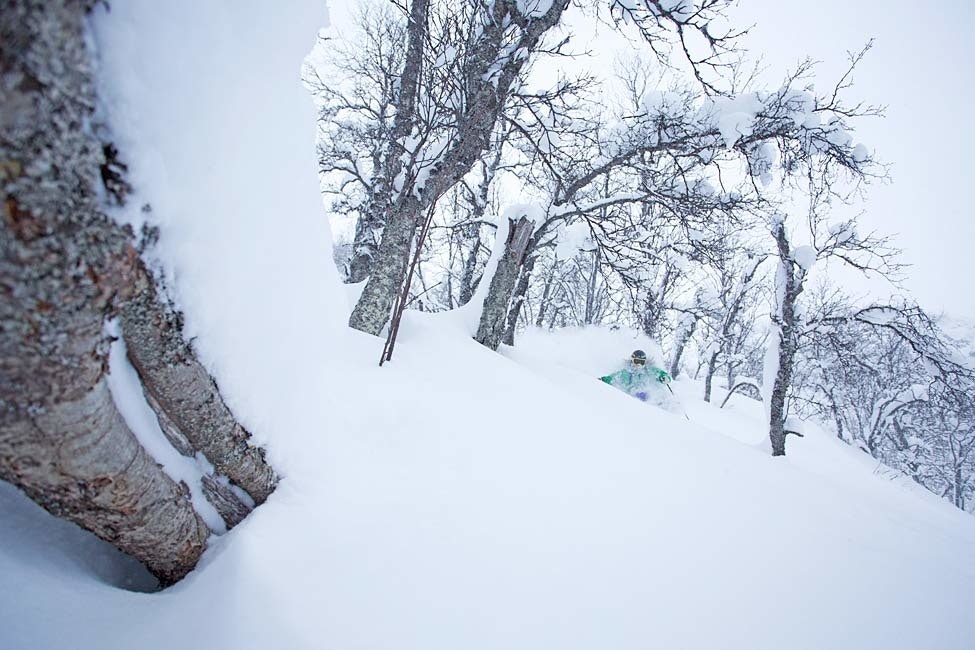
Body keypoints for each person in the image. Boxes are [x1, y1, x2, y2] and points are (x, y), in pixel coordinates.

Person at [599, 349, 671, 402]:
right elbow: (613, 378)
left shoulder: (649, 370)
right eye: (636, 361)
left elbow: (660, 373)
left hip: (647, 396)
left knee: (656, 399)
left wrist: (664, 378)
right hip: (632, 398)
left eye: (641, 362)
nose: (639, 364)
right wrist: (603, 380)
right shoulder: (626, 372)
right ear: (632, 360)